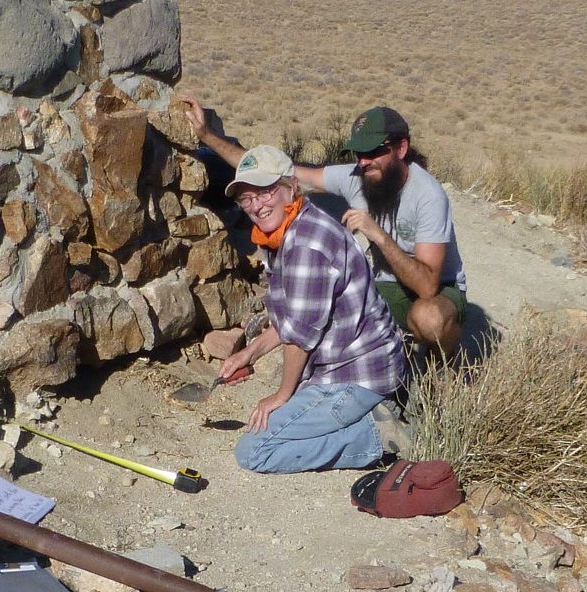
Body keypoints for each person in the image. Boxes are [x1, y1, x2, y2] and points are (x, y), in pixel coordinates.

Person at [182, 97, 467, 360]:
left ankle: (443, 365)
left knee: (428, 319)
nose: (364, 161)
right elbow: (275, 172)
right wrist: (207, 136)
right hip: (386, 285)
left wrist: (377, 234)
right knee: (329, 315)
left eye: (374, 151)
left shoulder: (428, 195)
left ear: (401, 148)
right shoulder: (357, 177)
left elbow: (427, 286)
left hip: (439, 291)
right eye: (359, 153)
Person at [214, 144, 409, 473]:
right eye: (246, 198)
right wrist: (250, 354)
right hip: (343, 367)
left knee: (255, 450)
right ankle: (372, 414)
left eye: (265, 192)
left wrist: (280, 395)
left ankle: (377, 437)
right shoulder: (283, 232)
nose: (256, 205)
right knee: (279, 429)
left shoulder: (307, 243)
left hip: (356, 374)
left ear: (290, 187)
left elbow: (300, 337)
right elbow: (294, 319)